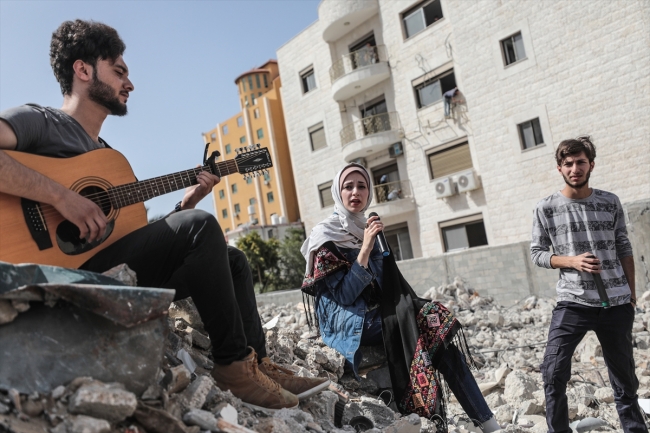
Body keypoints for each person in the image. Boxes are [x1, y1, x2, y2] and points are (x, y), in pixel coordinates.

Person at [0, 19, 329, 412]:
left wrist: (187, 204)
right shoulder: (41, 121)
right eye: (119, 71)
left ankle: (255, 364)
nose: (130, 83)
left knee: (233, 260)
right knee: (199, 229)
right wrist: (61, 197)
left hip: (107, 270)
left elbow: (134, 237)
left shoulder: (108, 159)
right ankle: (232, 369)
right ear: (83, 70)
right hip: (55, 270)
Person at [300, 163, 500, 432]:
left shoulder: (367, 229)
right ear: (338, 191)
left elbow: (389, 287)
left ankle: (489, 423)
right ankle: (435, 415)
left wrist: (377, 247)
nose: (355, 192)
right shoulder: (325, 236)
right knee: (421, 326)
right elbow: (345, 295)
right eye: (348, 186)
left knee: (440, 341)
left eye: (362, 186)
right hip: (346, 319)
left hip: (375, 312)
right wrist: (366, 249)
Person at [531, 136, 646, 433]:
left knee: (624, 380)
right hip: (572, 302)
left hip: (617, 303)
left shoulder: (610, 202)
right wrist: (571, 261)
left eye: (580, 162)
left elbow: (624, 247)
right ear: (559, 168)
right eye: (568, 163)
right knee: (553, 371)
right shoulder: (546, 208)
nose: (574, 168)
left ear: (591, 164)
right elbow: (538, 253)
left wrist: (631, 296)